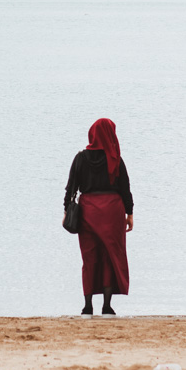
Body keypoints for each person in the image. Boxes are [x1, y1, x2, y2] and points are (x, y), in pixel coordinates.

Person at [64, 118, 133, 316]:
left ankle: (87, 307)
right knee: (109, 257)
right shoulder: (116, 159)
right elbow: (125, 188)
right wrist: (130, 213)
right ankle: (107, 307)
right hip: (112, 212)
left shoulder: (80, 158)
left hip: (88, 212)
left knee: (89, 258)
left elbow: (71, 187)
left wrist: (66, 211)